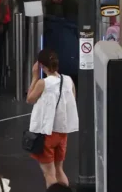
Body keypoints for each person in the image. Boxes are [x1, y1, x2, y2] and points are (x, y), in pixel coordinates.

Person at [26, 49, 79, 188]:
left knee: (49, 174)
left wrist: (34, 77)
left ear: (42, 66)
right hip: (62, 132)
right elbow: (72, 100)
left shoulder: (43, 83)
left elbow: (30, 99)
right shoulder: (68, 80)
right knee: (59, 169)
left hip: (47, 133)